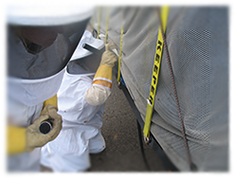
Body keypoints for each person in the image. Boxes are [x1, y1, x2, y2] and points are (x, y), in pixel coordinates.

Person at [2, 2, 94, 177]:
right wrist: (23, 140)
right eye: (50, 21)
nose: (60, 30)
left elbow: (45, 80)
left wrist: (50, 105)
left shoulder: (47, 46)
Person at [40, 30, 118, 174]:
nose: (98, 57)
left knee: (97, 146)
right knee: (71, 164)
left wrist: (106, 48)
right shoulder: (77, 83)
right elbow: (97, 95)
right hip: (66, 131)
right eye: (95, 55)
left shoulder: (70, 67)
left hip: (85, 124)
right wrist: (105, 65)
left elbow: (90, 50)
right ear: (82, 59)